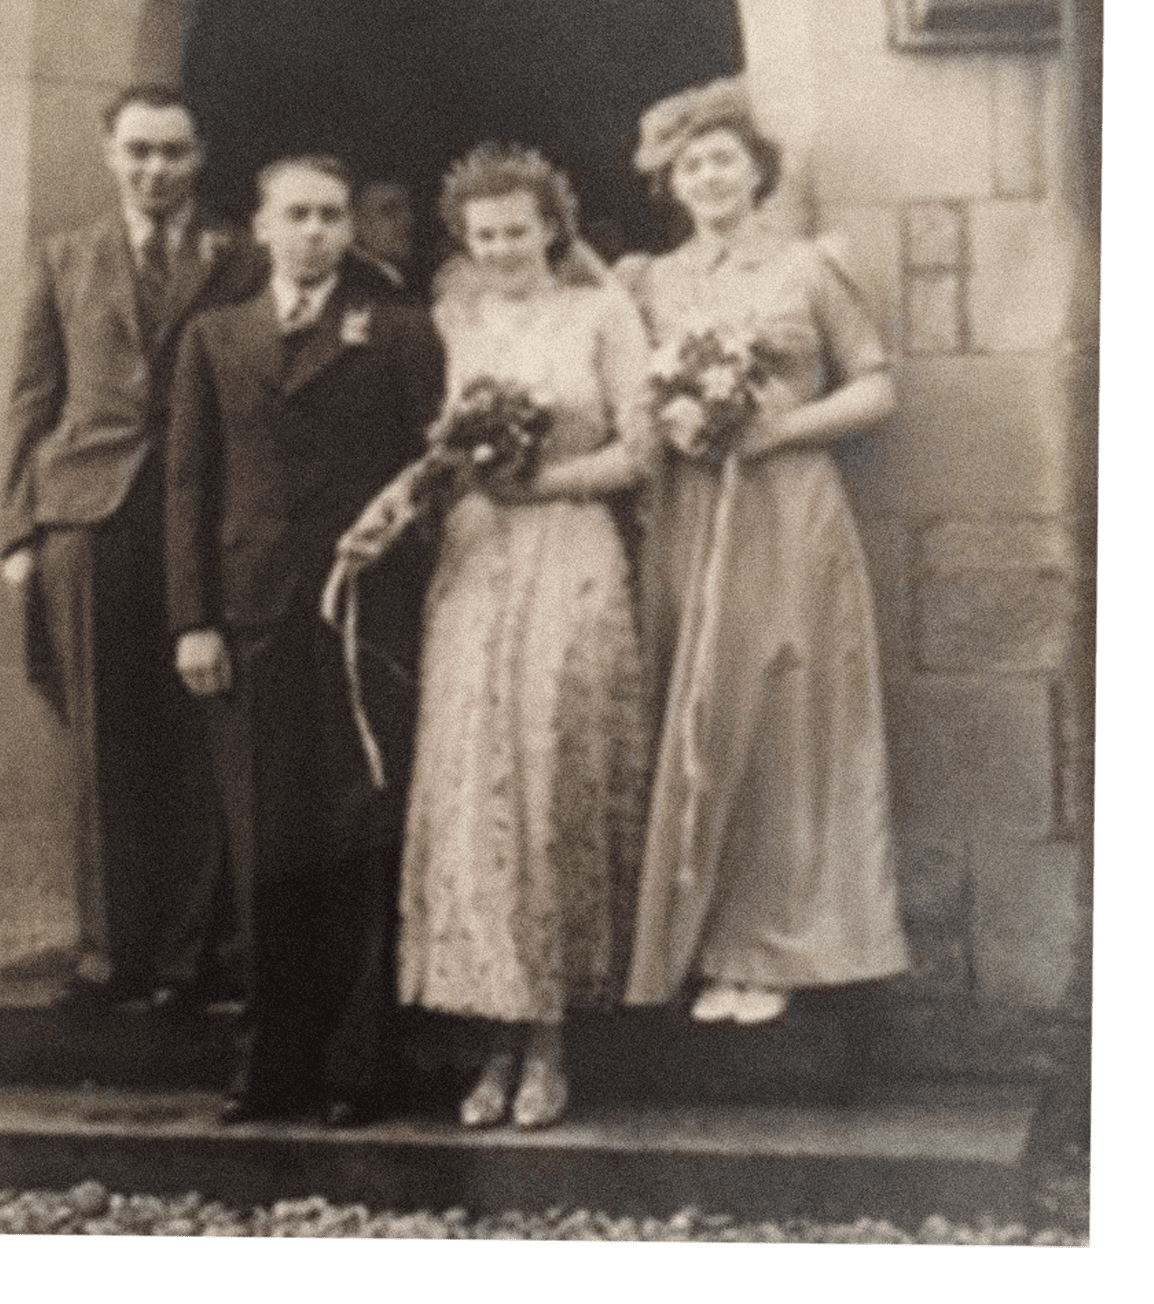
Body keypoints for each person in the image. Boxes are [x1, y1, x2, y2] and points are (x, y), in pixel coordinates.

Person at [338, 145, 652, 1130]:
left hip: (569, 550)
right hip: (475, 564)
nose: (502, 248)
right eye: (483, 236)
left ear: (552, 227)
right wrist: (382, 514)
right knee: (478, 784)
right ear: (463, 244)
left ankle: (549, 1042)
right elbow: (435, 453)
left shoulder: (602, 314)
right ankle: (492, 1039)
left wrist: (537, 483)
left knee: (550, 771)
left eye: (518, 230)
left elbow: (639, 450)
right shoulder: (454, 320)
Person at [620, 77, 911, 1030]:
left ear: (756, 173)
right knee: (699, 711)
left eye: (724, 159)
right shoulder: (652, 282)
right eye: (690, 162)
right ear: (672, 179)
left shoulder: (807, 268)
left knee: (787, 714)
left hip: (787, 508)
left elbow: (875, 388)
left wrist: (776, 430)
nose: (708, 176)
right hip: (695, 513)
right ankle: (707, 947)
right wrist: (680, 421)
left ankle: (782, 949)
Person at [166, 155, 444, 1126]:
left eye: (332, 215)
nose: (318, 231)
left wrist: (396, 540)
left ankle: (355, 1067)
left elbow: (432, 467)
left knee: (358, 834)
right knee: (260, 843)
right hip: (249, 618)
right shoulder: (214, 336)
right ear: (261, 227)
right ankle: (267, 1063)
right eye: (298, 214)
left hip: (361, 614)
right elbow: (188, 484)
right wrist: (193, 617)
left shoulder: (398, 333)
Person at [0, 84, 249, 1012]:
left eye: (173, 153)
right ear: (109, 153)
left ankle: (191, 958)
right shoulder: (65, 258)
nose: (155, 170)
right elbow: (30, 399)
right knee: (102, 739)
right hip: (86, 518)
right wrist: (19, 531)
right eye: (138, 151)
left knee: (197, 734)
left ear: (200, 157)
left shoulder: (241, 260)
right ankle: (110, 956)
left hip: (200, 522)